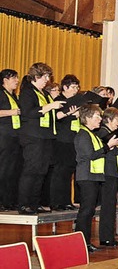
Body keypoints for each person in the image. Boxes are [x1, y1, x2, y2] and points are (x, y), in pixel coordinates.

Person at [17, 63, 65, 215]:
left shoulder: (44, 94)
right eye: (45, 77)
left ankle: (34, 203)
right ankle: (24, 204)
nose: (47, 80)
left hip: (46, 136)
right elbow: (28, 112)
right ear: (36, 76)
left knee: (41, 171)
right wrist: (50, 107)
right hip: (33, 136)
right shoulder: (27, 92)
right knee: (31, 170)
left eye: (48, 77)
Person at [74, 104, 118, 253]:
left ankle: (86, 242)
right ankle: (81, 242)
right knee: (86, 211)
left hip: (93, 176)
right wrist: (108, 146)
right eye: (97, 116)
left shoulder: (91, 134)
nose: (100, 119)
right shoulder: (82, 134)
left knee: (89, 211)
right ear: (87, 118)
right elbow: (90, 155)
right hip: (86, 176)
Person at [94, 107, 118, 247]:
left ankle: (108, 236)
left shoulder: (110, 132)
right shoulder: (103, 132)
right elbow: (107, 151)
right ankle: (106, 237)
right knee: (108, 205)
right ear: (108, 119)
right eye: (117, 120)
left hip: (113, 171)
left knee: (110, 205)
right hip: (107, 171)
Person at [51, 74, 81, 211]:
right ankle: (57, 201)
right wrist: (71, 114)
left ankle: (66, 200)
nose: (76, 90)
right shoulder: (59, 100)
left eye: (77, 87)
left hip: (72, 140)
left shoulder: (75, 102)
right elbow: (56, 118)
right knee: (60, 172)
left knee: (69, 172)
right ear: (65, 87)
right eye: (73, 87)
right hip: (61, 140)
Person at [0, 69, 21, 211]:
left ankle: (8, 200)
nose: (17, 80)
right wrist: (11, 112)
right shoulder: (1, 94)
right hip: (4, 136)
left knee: (12, 170)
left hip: (15, 137)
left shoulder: (13, 95)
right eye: (14, 78)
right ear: (5, 79)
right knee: (3, 169)